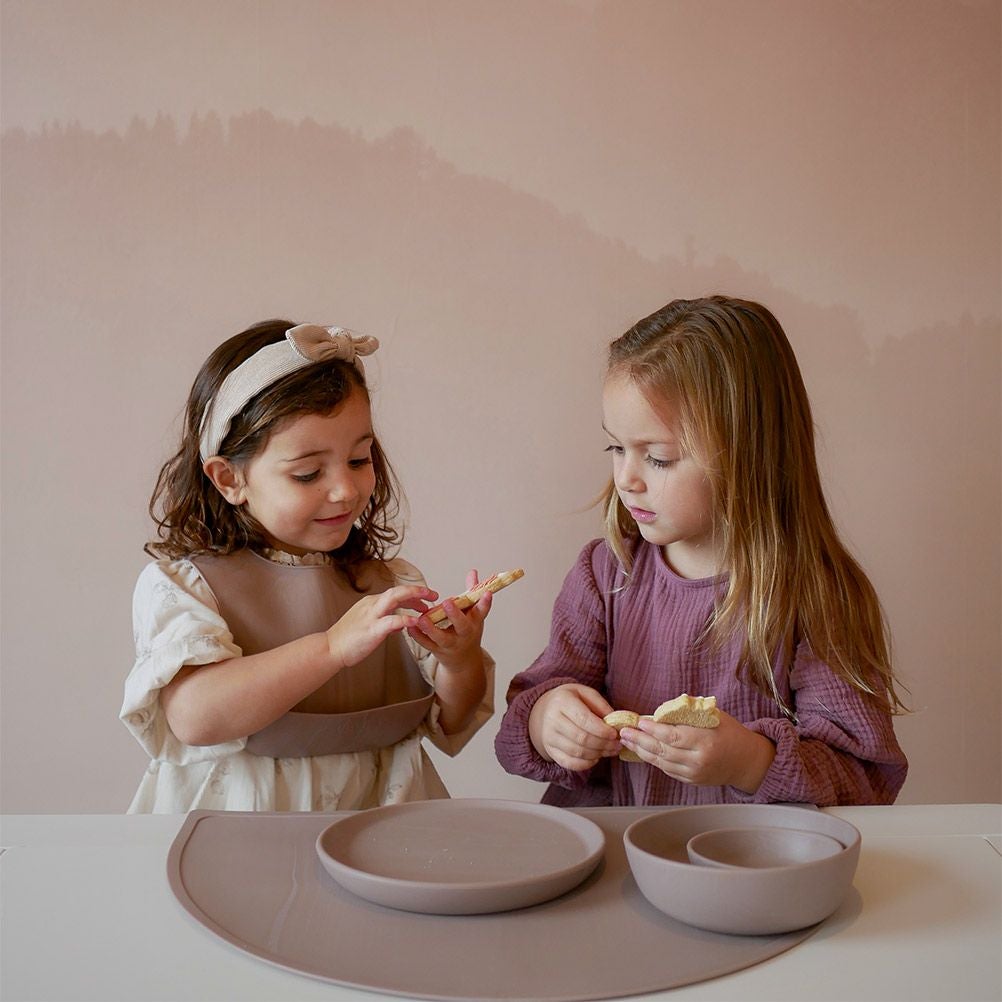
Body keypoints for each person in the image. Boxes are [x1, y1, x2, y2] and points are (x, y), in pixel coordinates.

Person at [495, 295, 908, 807]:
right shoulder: (604, 574)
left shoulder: (817, 595)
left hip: (744, 855)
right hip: (613, 848)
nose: (626, 479)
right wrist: (547, 722)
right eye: (616, 448)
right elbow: (517, 727)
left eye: (659, 458)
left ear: (748, 455)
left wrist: (750, 762)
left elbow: (864, 779)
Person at [121, 319, 494, 812]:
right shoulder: (188, 588)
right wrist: (331, 648)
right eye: (308, 473)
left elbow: (451, 719)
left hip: (382, 827)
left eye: (359, 460)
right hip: (245, 828)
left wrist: (459, 660)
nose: (345, 490)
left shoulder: (389, 584)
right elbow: (195, 717)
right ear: (229, 478)